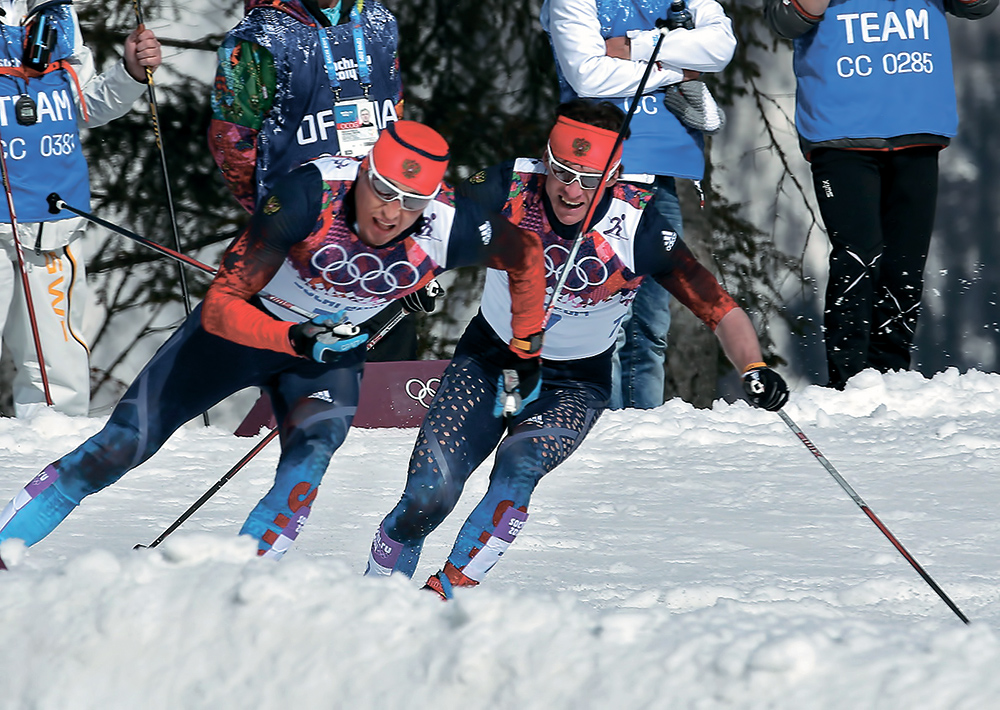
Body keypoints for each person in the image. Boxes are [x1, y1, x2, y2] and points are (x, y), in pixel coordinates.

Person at [0, 121, 546, 560]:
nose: (389, 211)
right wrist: (294, 337)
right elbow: (219, 306)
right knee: (120, 447)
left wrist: (526, 347)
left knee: (303, 476)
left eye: (410, 202)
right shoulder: (310, 195)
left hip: (325, 359)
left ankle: (235, 601)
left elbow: (526, 259)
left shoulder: (453, 225)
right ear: (362, 172)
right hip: (243, 334)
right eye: (381, 189)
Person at [364, 101, 788, 598]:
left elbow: (719, 309)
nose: (570, 190)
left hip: (571, 384)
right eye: (562, 171)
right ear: (546, 159)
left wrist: (754, 366)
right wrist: (419, 273)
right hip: (490, 361)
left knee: (517, 473)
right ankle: (374, 600)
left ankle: (443, 598)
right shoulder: (509, 187)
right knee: (426, 497)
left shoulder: (640, 226)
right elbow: (431, 226)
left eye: (588, 178)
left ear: (614, 174)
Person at [764, 0, 997, 389]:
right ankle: (849, 384)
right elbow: (785, 19)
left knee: (904, 265)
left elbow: (979, 5)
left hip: (917, 128)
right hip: (841, 134)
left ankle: (893, 379)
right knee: (858, 258)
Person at [541, 0, 735, 409]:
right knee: (602, 314)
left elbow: (720, 47)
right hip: (593, 172)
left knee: (651, 321)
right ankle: (599, 423)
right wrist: (679, 70)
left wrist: (633, 46)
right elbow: (587, 75)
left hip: (658, 171)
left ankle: (641, 427)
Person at [210, 0, 413, 360]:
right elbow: (231, 141)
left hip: (382, 234)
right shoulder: (263, 35)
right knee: (305, 384)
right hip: (302, 241)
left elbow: (394, 115)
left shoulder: (379, 20)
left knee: (384, 395)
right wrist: (275, 212)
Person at [0, 0, 162, 417]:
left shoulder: (57, 14)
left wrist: (128, 72)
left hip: (54, 221)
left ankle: (53, 469)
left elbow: (85, 105)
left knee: (58, 378)